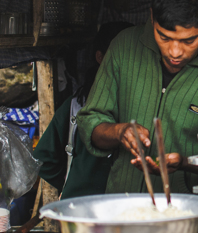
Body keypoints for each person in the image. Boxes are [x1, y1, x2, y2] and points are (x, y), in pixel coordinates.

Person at [77, 0, 198, 195]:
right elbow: (90, 123)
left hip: (194, 212)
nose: (174, 52)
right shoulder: (124, 47)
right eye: (164, 37)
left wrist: (185, 163)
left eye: (188, 41)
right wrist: (119, 132)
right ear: (152, 18)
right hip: (123, 205)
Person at [33, 21, 134, 199]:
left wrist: (73, 184)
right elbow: (43, 159)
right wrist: (71, 182)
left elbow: (44, 160)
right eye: (121, 56)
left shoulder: (77, 103)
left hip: (85, 202)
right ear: (100, 57)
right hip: (99, 205)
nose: (130, 64)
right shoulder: (76, 106)